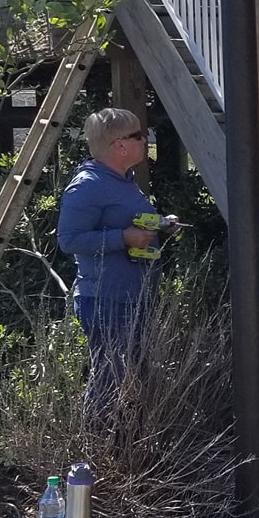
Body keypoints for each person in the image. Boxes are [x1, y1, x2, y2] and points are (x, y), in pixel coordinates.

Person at [56, 107, 176, 404]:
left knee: (132, 380)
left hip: (132, 296)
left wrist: (159, 225)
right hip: (106, 299)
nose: (144, 139)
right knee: (109, 382)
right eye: (138, 135)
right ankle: (96, 447)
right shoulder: (87, 186)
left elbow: (125, 221)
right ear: (120, 145)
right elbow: (68, 240)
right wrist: (123, 238)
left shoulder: (122, 179)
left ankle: (125, 447)